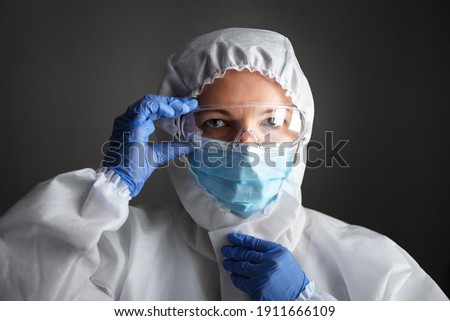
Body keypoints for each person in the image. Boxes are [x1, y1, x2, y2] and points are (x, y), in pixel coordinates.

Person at [0, 28, 447, 301]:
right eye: (216, 122)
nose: (248, 144)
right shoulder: (116, 254)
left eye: (272, 121)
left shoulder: (373, 265)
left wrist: (309, 307)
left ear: (302, 136)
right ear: (178, 134)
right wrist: (107, 188)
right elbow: (19, 289)